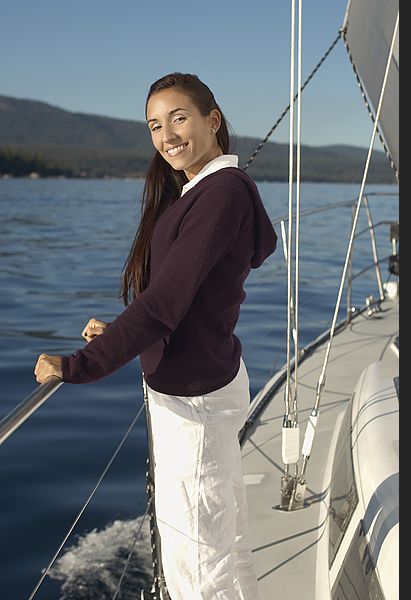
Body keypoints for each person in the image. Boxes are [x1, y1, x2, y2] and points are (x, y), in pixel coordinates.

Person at [34, 72, 277, 599]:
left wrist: (82, 363)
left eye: (179, 118)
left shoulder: (221, 193)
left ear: (213, 120)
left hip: (195, 401)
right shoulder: (207, 190)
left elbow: (166, 305)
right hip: (208, 382)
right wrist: (126, 332)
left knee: (198, 565)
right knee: (224, 546)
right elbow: (189, 297)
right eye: (154, 125)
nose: (166, 134)